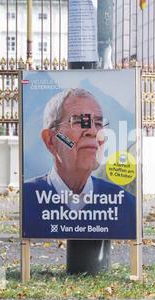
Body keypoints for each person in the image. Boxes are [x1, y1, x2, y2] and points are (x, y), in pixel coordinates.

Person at [22, 88, 136, 239]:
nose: (93, 131)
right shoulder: (28, 199)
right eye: (78, 121)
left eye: (98, 123)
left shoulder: (125, 204)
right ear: (50, 140)